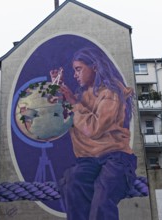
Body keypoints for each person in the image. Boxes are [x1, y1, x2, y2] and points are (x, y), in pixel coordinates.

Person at [50, 47, 137, 220]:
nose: (75, 75)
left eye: (78, 69)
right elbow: (67, 119)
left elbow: (93, 128)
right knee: (72, 182)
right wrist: (56, 92)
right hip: (89, 161)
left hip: (116, 158)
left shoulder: (111, 93)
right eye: (74, 70)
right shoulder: (81, 95)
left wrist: (73, 102)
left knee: (102, 197)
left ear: (95, 67)